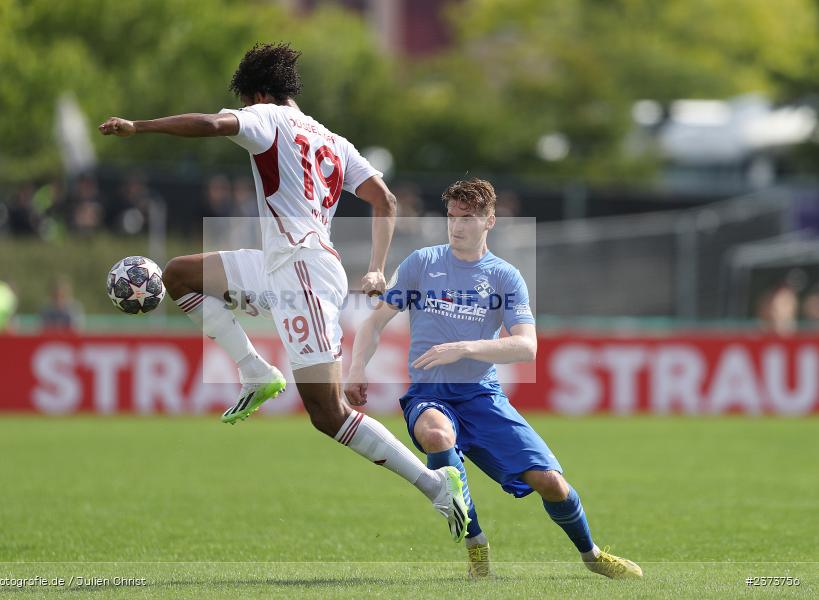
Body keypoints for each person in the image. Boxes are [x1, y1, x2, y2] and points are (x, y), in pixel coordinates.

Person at [99, 42, 470, 540]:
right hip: (282, 265)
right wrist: (377, 267)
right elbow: (385, 198)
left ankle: (436, 484)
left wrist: (139, 127)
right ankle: (255, 371)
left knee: (328, 411)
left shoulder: (265, 118)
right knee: (180, 275)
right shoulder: (336, 140)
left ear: (256, 92)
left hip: (303, 274)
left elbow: (211, 125)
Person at [345, 179, 643, 579]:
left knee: (551, 483)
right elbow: (376, 322)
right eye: (451, 217)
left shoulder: (504, 277)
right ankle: (476, 546)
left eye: (467, 218)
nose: (456, 226)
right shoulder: (421, 263)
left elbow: (526, 347)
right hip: (429, 394)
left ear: (490, 221)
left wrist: (465, 348)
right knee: (437, 437)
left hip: (483, 396)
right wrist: (356, 368)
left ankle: (591, 554)